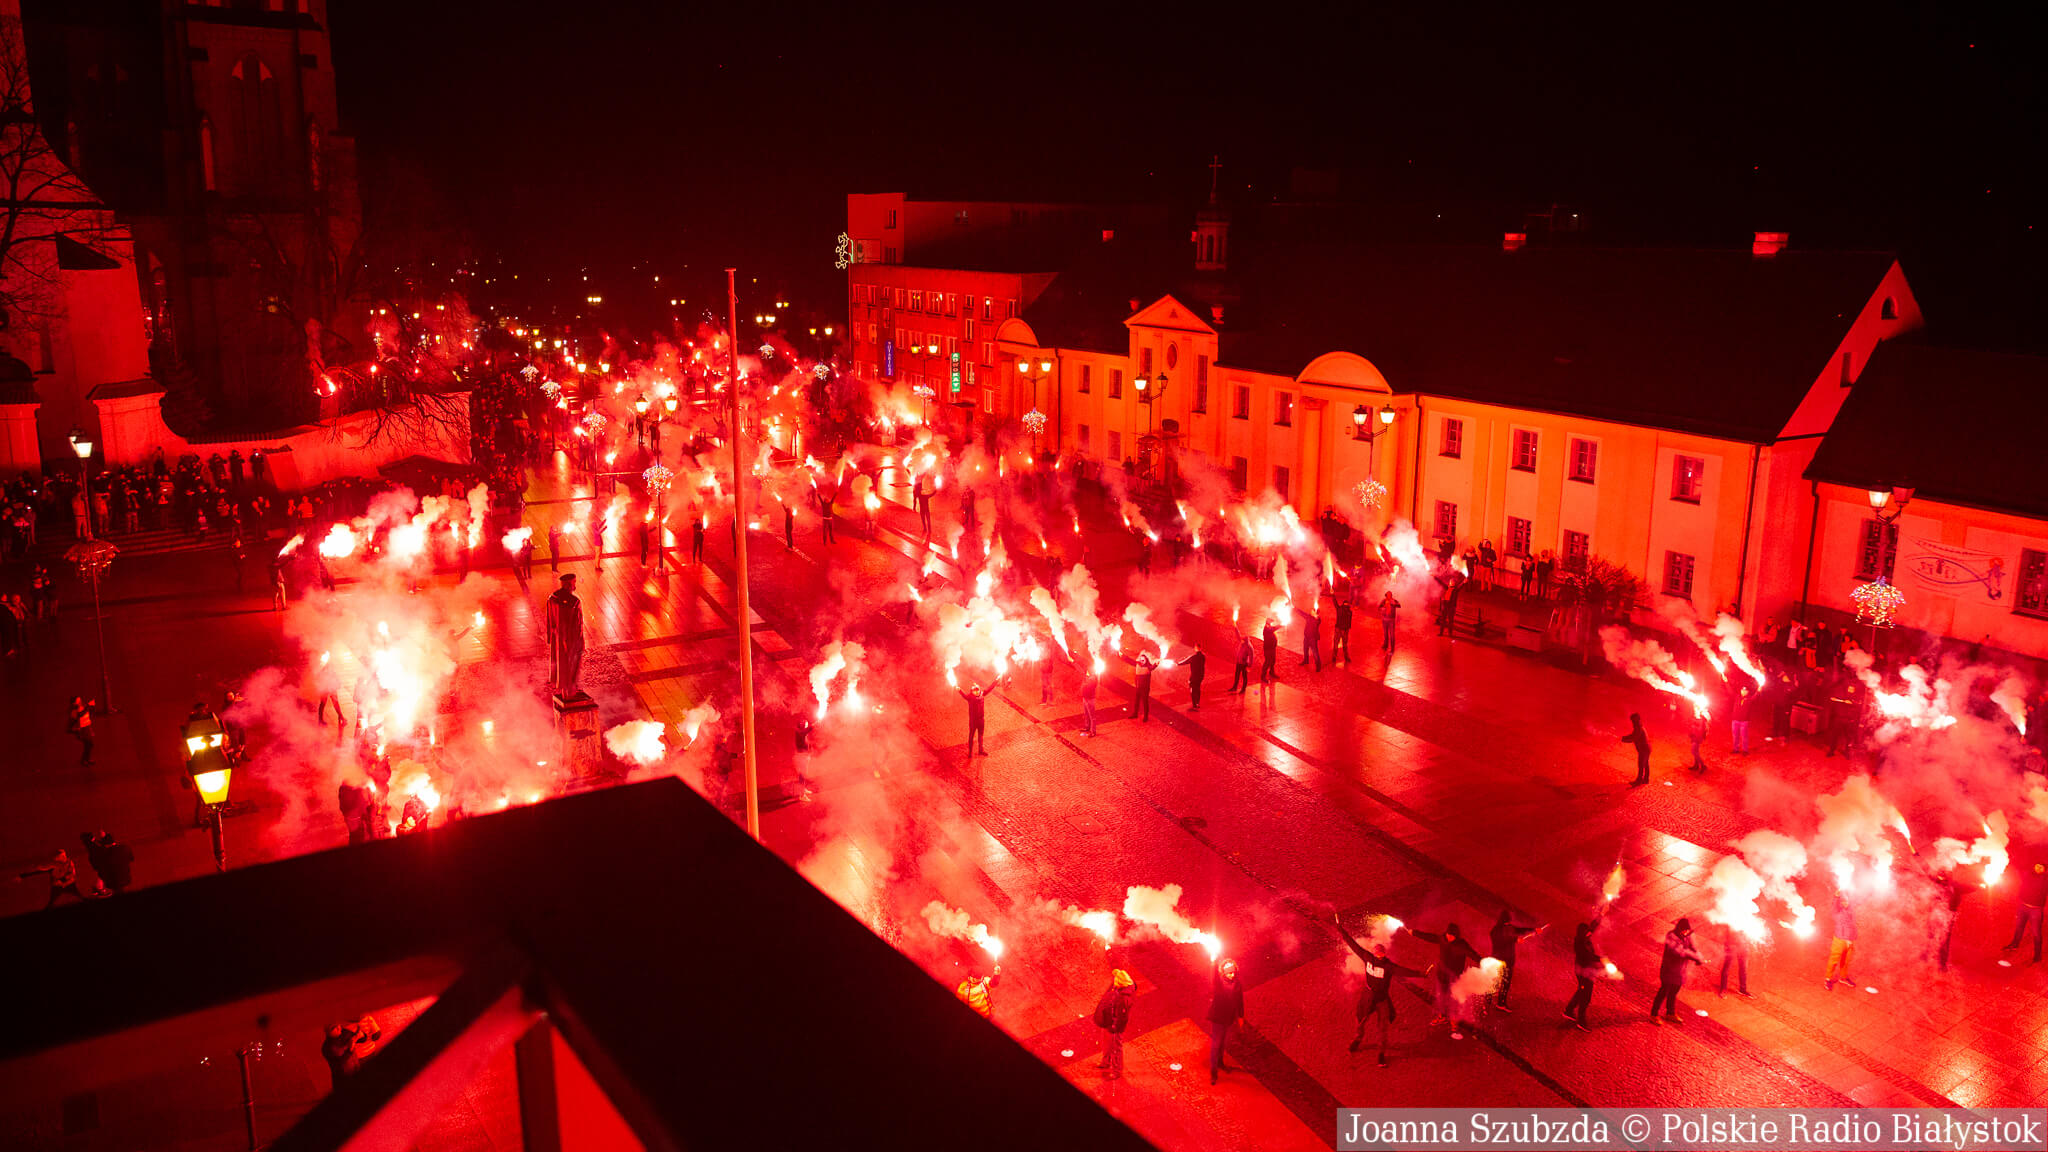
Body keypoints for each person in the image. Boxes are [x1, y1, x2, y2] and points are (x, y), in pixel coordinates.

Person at [1336, 914, 1421, 1066]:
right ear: (1374, 953)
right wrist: (1341, 930)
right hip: (1368, 997)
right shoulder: (1368, 957)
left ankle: (1381, 1054)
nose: (1380, 955)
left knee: (1383, 1028)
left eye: (1382, 953)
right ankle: (1357, 1040)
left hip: (1382, 1000)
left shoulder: (1388, 966)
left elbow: (1402, 970)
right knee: (1361, 1021)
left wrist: (1420, 974)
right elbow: (1353, 945)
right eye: (1378, 953)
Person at [1408, 922, 1483, 1040]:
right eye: (1448, 935)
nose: (1449, 937)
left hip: (1454, 977)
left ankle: (1454, 1024)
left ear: (1456, 936)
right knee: (1441, 997)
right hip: (1441, 975)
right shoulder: (1442, 939)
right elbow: (1429, 937)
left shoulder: (1462, 945)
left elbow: (1473, 954)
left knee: (1453, 1000)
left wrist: (1483, 962)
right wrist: (1414, 933)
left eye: (1452, 936)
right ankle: (1442, 1016)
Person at [1651, 918, 1702, 1023]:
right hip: (1668, 970)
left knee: (1674, 992)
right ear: (1680, 929)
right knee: (1663, 991)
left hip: (1679, 972)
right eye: (1685, 931)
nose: (1686, 933)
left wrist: (1697, 955)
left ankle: (1670, 1013)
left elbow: (1693, 947)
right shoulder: (1671, 937)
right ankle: (1654, 1014)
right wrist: (1695, 957)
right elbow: (1681, 952)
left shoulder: (1687, 935)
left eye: (1688, 931)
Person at [1488, 910, 1540, 1012]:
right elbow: (1507, 938)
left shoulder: (1496, 929)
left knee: (1495, 980)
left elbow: (1518, 930)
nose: (1509, 924)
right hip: (1507, 960)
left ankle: (1488, 999)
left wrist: (1533, 930)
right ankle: (1501, 1003)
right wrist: (1515, 940)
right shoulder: (1505, 930)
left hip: (1496, 959)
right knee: (1505, 982)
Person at [1563, 917, 1605, 1031]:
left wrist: (1601, 914)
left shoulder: (1583, 937)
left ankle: (1568, 1010)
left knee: (1581, 991)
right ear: (1583, 934)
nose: (1589, 934)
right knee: (1585, 997)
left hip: (1585, 971)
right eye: (1587, 933)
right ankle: (1581, 1021)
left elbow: (1592, 927)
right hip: (1584, 972)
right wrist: (1602, 959)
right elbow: (1588, 956)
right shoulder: (1580, 945)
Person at [1207, 957, 1245, 1084]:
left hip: (1228, 1017)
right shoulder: (1219, 983)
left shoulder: (1237, 983)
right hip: (1218, 1018)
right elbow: (1214, 976)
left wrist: (1241, 1016)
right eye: (1229, 972)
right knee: (1216, 1044)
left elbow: (1240, 1000)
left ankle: (1220, 1063)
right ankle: (1213, 1073)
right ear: (1223, 973)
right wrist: (1214, 962)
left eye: (1233, 972)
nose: (1232, 974)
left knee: (1222, 1042)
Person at [1093, 969, 1135, 1079]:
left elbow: (1122, 1017)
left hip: (1114, 1026)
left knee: (1116, 1048)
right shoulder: (1119, 989)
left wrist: (1114, 1027)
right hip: (1108, 1021)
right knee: (1106, 1044)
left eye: (1116, 981)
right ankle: (1105, 1062)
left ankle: (1117, 1071)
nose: (1114, 983)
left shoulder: (1124, 998)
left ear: (1121, 983)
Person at [2002, 862, 2047, 964]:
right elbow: (2019, 869)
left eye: (2041, 867)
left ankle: (2037, 956)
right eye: (2037, 866)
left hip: (2036, 910)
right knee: (2019, 927)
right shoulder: (2028, 874)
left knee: (2036, 933)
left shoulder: (2045, 880)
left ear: (2045, 870)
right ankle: (2015, 945)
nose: (2038, 868)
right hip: (2023, 906)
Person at [322, 1016, 381, 1087]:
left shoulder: (343, 1032)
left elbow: (363, 1037)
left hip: (359, 1063)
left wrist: (359, 1035)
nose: (339, 1028)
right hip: (347, 1074)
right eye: (333, 1028)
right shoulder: (329, 1047)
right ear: (327, 1032)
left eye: (338, 1025)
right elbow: (340, 1063)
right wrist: (351, 1047)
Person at [21, 849, 86, 909]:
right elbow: (40, 870)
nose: (63, 858)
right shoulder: (53, 865)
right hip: (57, 886)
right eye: (60, 857)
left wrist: (63, 879)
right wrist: (24, 875)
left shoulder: (69, 863)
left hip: (68, 884)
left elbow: (72, 873)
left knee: (78, 895)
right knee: (52, 901)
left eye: (63, 856)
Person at [81, 830, 134, 895]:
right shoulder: (124, 848)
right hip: (123, 877)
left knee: (105, 876)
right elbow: (131, 858)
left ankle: (99, 889)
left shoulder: (105, 855)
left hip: (114, 879)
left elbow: (98, 867)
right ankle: (99, 889)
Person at [1825, 891, 1858, 989]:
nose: (1845, 903)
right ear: (1840, 902)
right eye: (1843, 901)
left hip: (1850, 940)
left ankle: (1843, 978)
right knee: (1834, 960)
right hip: (1839, 940)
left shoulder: (1850, 909)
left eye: (1847, 901)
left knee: (1846, 961)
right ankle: (1828, 979)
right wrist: (1836, 896)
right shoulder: (1836, 911)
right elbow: (1833, 905)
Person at [1718, 923, 1751, 997]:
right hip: (1732, 945)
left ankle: (1743, 989)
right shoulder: (1732, 915)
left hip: (1743, 945)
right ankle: (1723, 989)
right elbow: (1728, 930)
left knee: (1743, 969)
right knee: (1727, 968)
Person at [1621, 713, 1651, 786]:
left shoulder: (1638, 727)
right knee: (1645, 764)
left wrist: (1624, 739)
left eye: (1632, 720)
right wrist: (1625, 737)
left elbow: (1634, 737)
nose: (1632, 721)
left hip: (1644, 749)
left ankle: (1639, 781)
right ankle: (1646, 779)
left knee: (1641, 765)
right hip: (1646, 748)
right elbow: (1633, 735)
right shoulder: (1639, 726)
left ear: (1635, 719)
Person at [959, 682, 988, 755]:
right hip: (973, 721)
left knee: (980, 736)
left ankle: (980, 750)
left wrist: (997, 680)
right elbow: (964, 695)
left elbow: (990, 688)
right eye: (975, 691)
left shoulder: (982, 694)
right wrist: (959, 690)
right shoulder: (969, 697)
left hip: (981, 720)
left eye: (977, 690)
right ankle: (970, 752)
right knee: (971, 736)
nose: (976, 692)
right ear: (972, 691)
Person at [67, 696, 96, 766]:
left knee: (89, 744)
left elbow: (88, 712)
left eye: (80, 700)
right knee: (89, 744)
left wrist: (91, 707)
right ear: (74, 703)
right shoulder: (74, 710)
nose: (80, 702)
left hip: (87, 727)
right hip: (82, 730)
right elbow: (80, 714)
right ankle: (85, 760)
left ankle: (86, 759)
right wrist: (89, 706)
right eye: (78, 701)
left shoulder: (84, 707)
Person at [1730, 685, 1754, 755]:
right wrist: (1726, 682)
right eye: (1742, 690)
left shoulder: (1749, 699)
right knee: (1735, 735)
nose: (1743, 692)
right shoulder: (1737, 697)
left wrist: (1759, 689)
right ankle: (1735, 749)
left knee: (1744, 736)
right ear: (1740, 691)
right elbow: (1730, 690)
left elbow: (1756, 695)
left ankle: (1745, 750)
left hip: (1744, 721)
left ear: (1748, 692)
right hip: (1735, 720)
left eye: (1745, 691)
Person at [1131, 654, 1153, 722]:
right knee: (1136, 701)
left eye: (1143, 660)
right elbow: (1129, 661)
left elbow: (1152, 667)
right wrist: (1121, 655)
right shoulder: (1138, 665)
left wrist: (1157, 664)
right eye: (1140, 659)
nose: (1141, 661)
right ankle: (1135, 714)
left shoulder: (1148, 667)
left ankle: (1146, 716)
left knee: (1145, 702)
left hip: (1145, 688)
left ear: (1146, 660)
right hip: (1138, 687)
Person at [1185, 646, 1207, 711]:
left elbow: (1186, 661)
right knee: (1198, 689)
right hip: (1200, 676)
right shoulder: (1203, 657)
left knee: (1192, 690)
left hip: (1194, 677)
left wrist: (1177, 663)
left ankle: (1194, 705)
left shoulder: (1193, 657)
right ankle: (1197, 703)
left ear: (1196, 648)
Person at [1686, 709, 1708, 773]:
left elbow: (1700, 730)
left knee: (1693, 751)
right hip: (1694, 736)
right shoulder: (1695, 718)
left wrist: (1693, 726)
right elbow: (1692, 726)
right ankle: (1696, 766)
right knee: (1696, 751)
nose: (1695, 710)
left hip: (1697, 737)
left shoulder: (1702, 720)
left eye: (1696, 709)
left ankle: (1703, 765)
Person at [1080, 668, 1099, 736]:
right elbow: (1080, 670)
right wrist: (1072, 661)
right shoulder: (1088, 677)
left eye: (1088, 670)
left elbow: (1088, 686)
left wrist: (1085, 679)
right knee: (1086, 714)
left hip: (1090, 699)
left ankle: (1093, 732)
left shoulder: (1093, 679)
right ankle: (1087, 727)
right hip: (1085, 698)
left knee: (1092, 716)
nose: (1086, 671)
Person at [1333, 600, 1353, 664]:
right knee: (1342, 645)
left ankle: (1335, 657)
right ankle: (1345, 658)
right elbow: (1335, 603)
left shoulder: (1341, 610)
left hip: (1341, 630)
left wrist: (1332, 594)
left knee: (1338, 644)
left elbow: (1335, 603)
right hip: (1342, 630)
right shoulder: (1349, 612)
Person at [1260, 618, 1279, 684]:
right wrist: (1281, 625)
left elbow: (1273, 628)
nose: (1271, 623)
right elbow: (1272, 629)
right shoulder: (1266, 628)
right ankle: (1263, 676)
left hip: (1272, 648)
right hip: (1268, 649)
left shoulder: (1269, 627)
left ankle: (1271, 672)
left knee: (1273, 660)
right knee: (1267, 662)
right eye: (1270, 622)